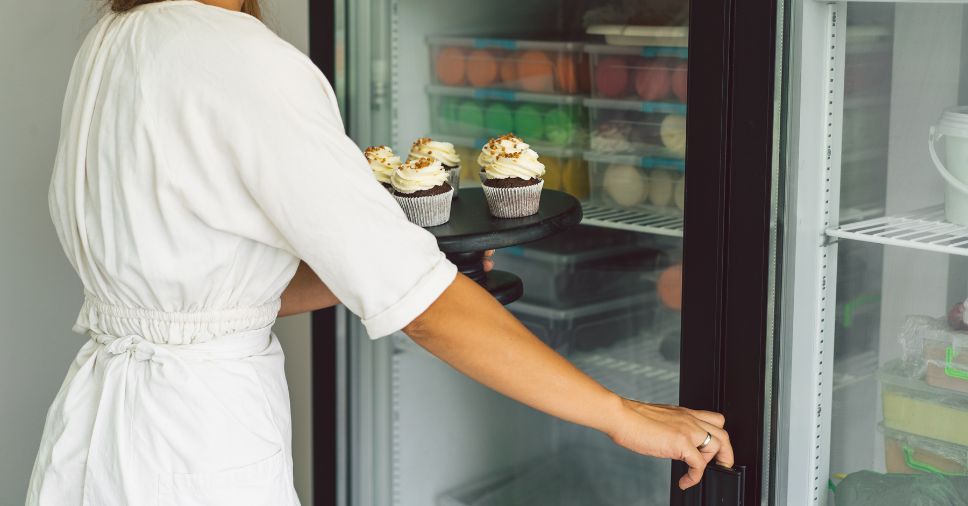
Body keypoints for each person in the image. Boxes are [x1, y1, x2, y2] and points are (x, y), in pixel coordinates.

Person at [26, 0, 733, 504]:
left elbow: (210, 292)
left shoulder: (114, 42)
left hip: (99, 431)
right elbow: (424, 310)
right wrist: (619, 412)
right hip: (194, 446)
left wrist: (378, 263)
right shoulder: (239, 58)